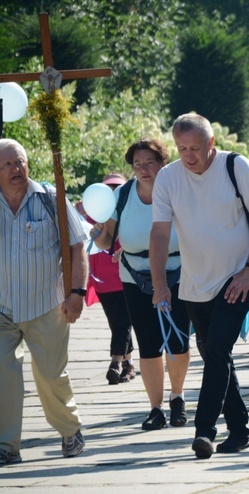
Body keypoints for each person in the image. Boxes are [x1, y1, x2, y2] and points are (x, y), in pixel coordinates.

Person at [150, 114, 249, 459]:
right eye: (182, 148)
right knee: (216, 355)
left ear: (211, 144)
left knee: (217, 351)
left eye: (195, 148)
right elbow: (159, 234)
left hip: (237, 279)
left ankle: (204, 430)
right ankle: (239, 429)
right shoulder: (168, 178)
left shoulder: (236, 165)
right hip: (193, 285)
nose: (189, 156)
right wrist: (160, 285)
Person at [93, 138, 191, 431]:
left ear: (163, 163)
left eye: (150, 162)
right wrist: (98, 233)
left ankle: (178, 397)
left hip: (178, 271)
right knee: (148, 343)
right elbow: (107, 240)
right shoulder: (122, 196)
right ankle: (156, 408)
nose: (144, 169)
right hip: (135, 276)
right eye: (137, 164)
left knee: (178, 340)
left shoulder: (179, 190)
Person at [0, 138, 88, 464]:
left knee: (50, 374)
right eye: (7, 164)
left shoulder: (51, 198)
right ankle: (6, 447)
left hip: (46, 305)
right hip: (2, 309)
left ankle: (69, 431)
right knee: (2, 376)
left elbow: (78, 247)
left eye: (19, 162)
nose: (15, 169)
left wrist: (76, 293)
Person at [78, 172, 136, 385]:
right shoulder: (92, 218)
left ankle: (115, 363)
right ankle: (129, 364)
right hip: (103, 283)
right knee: (117, 325)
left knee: (121, 323)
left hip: (126, 279)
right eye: (108, 188)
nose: (111, 193)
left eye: (116, 188)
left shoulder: (129, 213)